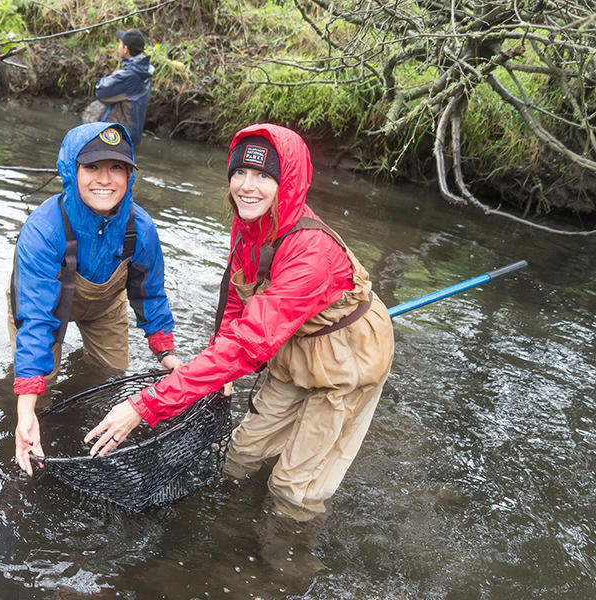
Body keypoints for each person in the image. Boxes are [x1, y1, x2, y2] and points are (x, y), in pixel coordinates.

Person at [85, 123, 395, 521]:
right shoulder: (249, 221)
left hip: (347, 357)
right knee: (240, 455)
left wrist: (145, 406)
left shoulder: (310, 254)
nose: (247, 186)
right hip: (291, 341)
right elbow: (237, 297)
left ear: (288, 183)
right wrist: (221, 363)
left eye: (265, 176)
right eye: (240, 173)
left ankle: (282, 570)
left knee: (293, 490)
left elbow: (249, 345)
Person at [10, 122, 182, 476]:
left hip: (105, 306)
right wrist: (25, 411)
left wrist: (165, 352)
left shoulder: (142, 229)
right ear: (71, 171)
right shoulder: (43, 230)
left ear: (129, 175)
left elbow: (149, 291)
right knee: (42, 385)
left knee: (109, 376)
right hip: (45, 307)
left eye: (116, 168)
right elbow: (36, 321)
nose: (105, 179)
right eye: (92, 167)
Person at [94, 28, 154, 146]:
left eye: (120, 44)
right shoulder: (144, 69)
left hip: (116, 137)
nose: (118, 47)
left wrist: (112, 76)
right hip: (128, 136)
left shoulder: (130, 74)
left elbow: (100, 91)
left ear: (126, 49)